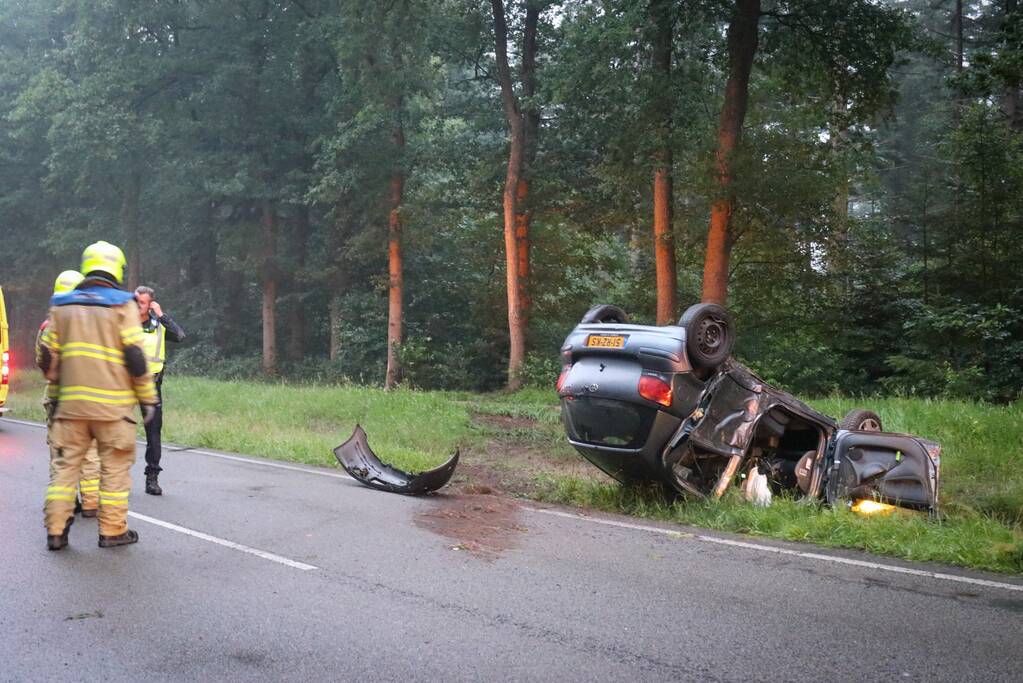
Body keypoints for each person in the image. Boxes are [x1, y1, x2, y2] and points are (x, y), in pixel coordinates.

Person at [38, 241, 158, 550]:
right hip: (113, 409)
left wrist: (55, 379)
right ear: (117, 268)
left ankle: (55, 531)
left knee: (65, 469)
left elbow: (47, 355)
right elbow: (135, 357)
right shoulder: (123, 304)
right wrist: (148, 400)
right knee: (114, 469)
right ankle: (112, 530)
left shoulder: (61, 305)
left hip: (70, 407)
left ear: (86, 266)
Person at [36, 270, 101, 517]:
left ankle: (66, 503)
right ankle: (92, 502)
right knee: (90, 453)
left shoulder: (47, 327)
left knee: (60, 453)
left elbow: (41, 361)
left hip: (57, 399)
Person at [134, 286, 186, 495]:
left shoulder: (159, 326)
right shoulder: (122, 324)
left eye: (143, 303)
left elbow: (180, 336)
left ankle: (152, 478)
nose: (138, 306)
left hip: (151, 385)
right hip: (125, 384)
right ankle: (110, 477)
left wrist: (162, 315)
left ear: (151, 305)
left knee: (153, 433)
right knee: (114, 430)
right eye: (136, 301)